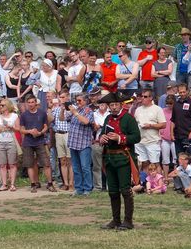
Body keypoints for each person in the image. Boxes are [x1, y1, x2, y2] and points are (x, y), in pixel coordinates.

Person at [96, 92, 141, 231]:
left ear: (121, 105)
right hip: (110, 158)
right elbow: (103, 132)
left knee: (125, 190)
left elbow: (136, 137)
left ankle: (128, 221)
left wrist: (119, 138)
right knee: (113, 191)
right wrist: (102, 138)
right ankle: (115, 220)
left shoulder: (128, 118)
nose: (114, 107)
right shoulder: (108, 118)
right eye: (111, 105)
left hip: (123, 158)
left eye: (116, 104)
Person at [16, 95, 50, 193]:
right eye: (29, 102)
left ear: (36, 103)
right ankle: (33, 184)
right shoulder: (24, 115)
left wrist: (40, 132)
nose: (31, 104)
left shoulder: (42, 113)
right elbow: (21, 130)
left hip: (40, 141)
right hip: (28, 142)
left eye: (32, 102)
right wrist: (30, 131)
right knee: (30, 164)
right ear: (27, 103)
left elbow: (46, 126)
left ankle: (50, 183)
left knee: (46, 163)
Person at [66, 94, 96, 196]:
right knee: (76, 168)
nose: (77, 102)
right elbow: (62, 118)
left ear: (85, 101)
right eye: (76, 101)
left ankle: (87, 188)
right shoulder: (75, 110)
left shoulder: (89, 111)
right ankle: (78, 188)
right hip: (73, 143)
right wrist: (63, 109)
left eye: (79, 101)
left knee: (85, 167)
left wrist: (75, 113)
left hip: (84, 143)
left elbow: (86, 121)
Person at [134, 89, 166, 170]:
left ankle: (159, 182)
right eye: (142, 96)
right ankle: (147, 182)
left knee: (155, 163)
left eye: (145, 97)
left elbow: (163, 124)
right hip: (140, 141)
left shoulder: (157, 109)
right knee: (144, 163)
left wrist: (150, 125)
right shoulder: (138, 110)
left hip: (152, 141)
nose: (142, 98)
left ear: (151, 98)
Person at [0, 99, 20, 191]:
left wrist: (11, 127)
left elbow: (18, 129)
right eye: (0, 105)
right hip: (1, 141)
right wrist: (1, 129)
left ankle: (12, 184)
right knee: (2, 164)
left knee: (12, 163)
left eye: (2, 105)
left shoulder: (14, 116)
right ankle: (4, 184)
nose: (0, 107)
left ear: (8, 106)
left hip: (11, 141)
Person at [51, 92, 73, 191]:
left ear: (67, 97)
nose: (61, 99)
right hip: (58, 134)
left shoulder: (72, 108)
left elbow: (65, 118)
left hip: (68, 134)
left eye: (63, 97)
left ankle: (71, 183)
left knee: (70, 160)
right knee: (62, 160)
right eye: (60, 97)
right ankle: (66, 183)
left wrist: (64, 109)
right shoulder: (55, 109)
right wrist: (49, 108)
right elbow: (49, 121)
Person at [172, 84, 191, 157]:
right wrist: (171, 133)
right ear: (178, 92)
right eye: (180, 92)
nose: (182, 94)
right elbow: (173, 120)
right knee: (179, 157)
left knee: (189, 157)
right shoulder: (176, 104)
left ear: (187, 91)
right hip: (178, 135)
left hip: (188, 135)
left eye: (184, 92)